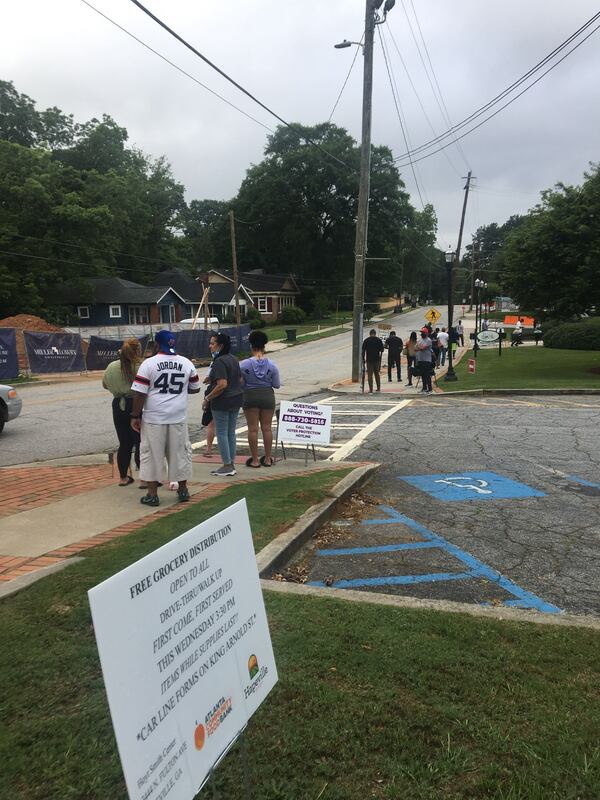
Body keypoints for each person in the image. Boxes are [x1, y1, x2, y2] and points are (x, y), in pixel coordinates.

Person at [130, 330, 200, 506]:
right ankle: (183, 490)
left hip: (154, 418)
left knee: (152, 455)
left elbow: (140, 393)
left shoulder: (149, 364)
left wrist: (134, 415)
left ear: (155, 345)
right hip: (177, 417)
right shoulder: (186, 363)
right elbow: (195, 387)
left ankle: (152, 495)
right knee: (180, 453)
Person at [102, 338, 144, 487]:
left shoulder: (111, 366)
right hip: (136, 403)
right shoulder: (139, 367)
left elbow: (104, 385)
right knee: (140, 441)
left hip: (118, 404)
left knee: (124, 443)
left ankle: (123, 477)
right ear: (138, 350)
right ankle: (144, 478)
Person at [203, 332, 243, 476]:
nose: (210, 346)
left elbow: (222, 384)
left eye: (212, 343)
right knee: (230, 432)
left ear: (220, 346)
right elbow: (239, 380)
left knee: (221, 433)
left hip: (222, 401)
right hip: (236, 399)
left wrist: (208, 398)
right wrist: (212, 377)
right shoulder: (233, 359)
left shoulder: (219, 361)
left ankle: (226, 465)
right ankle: (231, 463)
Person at [240, 330, 281, 468]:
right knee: (267, 428)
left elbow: (241, 384)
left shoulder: (244, 364)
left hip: (250, 396)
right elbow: (276, 385)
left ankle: (255, 460)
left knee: (252, 429)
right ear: (264, 346)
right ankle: (268, 459)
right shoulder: (272, 365)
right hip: (267, 396)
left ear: (251, 345)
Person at [415, 327, 434, 393]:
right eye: (421, 332)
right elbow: (415, 348)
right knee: (422, 375)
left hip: (426, 360)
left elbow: (423, 348)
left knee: (427, 375)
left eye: (423, 332)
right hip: (420, 360)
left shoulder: (428, 340)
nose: (422, 333)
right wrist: (419, 348)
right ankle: (424, 388)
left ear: (426, 333)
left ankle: (430, 389)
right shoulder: (420, 340)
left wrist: (418, 347)